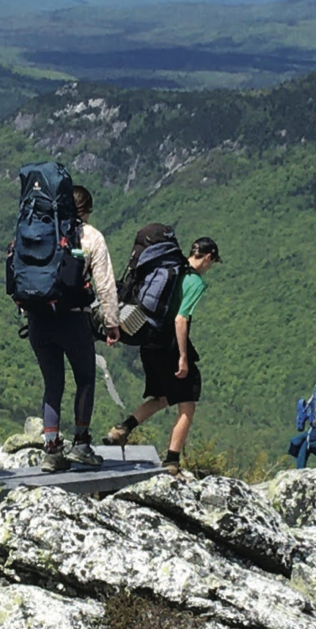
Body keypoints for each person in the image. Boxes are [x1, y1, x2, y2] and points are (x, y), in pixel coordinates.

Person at [105, 236, 222, 474]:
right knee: (187, 404)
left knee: (164, 397)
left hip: (149, 342)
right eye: (212, 262)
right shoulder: (196, 282)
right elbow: (181, 319)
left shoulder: (170, 270)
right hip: (170, 344)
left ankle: (121, 429)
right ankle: (172, 461)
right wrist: (183, 356)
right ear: (208, 257)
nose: (210, 267)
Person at [32, 184, 120, 473]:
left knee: (52, 383)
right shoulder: (91, 236)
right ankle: (81, 444)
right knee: (85, 379)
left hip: (39, 321)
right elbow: (105, 285)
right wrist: (111, 323)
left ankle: (52, 451)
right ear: (87, 211)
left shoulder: (38, 231)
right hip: (73, 321)